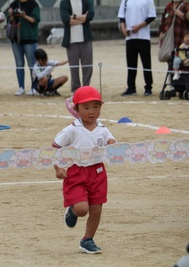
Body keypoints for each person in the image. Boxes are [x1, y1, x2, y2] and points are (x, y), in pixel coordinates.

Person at [52, 86, 116, 254]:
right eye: (86, 107)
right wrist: (58, 167)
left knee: (96, 209)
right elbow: (55, 147)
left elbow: (112, 142)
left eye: (96, 106)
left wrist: (112, 145)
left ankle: (87, 240)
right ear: (76, 109)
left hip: (98, 173)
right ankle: (72, 211)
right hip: (76, 173)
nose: (92, 111)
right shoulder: (72, 129)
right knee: (82, 209)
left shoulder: (103, 128)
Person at [118, 0, 156, 96]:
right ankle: (131, 87)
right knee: (131, 64)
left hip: (143, 37)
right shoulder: (125, 1)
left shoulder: (148, 0)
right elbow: (122, 17)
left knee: (146, 63)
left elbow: (151, 16)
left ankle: (148, 87)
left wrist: (139, 26)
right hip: (130, 37)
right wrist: (123, 28)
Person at [60, 0, 94, 93]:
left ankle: (86, 88)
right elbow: (66, 19)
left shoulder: (87, 1)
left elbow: (90, 16)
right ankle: (76, 90)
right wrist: (83, 18)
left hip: (85, 39)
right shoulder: (64, 2)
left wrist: (74, 17)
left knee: (88, 67)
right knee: (74, 68)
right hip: (71, 41)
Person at [7, 0, 40, 96]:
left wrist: (24, 15)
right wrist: (12, 15)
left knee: (32, 64)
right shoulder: (13, 4)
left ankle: (34, 87)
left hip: (29, 38)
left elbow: (35, 20)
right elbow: (9, 21)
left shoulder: (33, 4)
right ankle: (21, 87)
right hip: (16, 38)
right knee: (19, 64)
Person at [158, 0, 189, 95]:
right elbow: (163, 21)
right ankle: (172, 86)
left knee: (182, 62)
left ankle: (183, 85)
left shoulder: (186, 5)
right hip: (168, 39)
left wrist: (181, 14)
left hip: (181, 38)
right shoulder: (169, 6)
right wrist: (160, 32)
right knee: (170, 61)